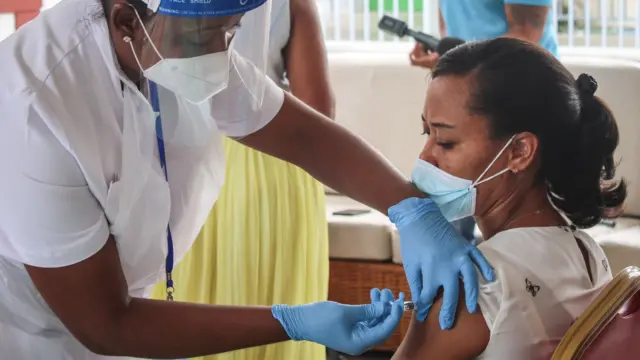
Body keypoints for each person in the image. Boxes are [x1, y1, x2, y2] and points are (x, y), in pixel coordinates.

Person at [0, 0, 495, 358]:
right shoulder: (34, 109)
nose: (222, 53)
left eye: (233, 31)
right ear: (127, 19)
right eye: (206, 37)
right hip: (36, 332)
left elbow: (304, 134)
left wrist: (410, 209)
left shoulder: (177, 40)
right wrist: (292, 322)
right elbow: (107, 324)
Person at [388, 37, 626, 359]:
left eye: (445, 142)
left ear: (519, 152)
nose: (425, 156)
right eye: (426, 133)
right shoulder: (587, 251)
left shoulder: (473, 288)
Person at [149, 0, 333, 359]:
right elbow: (318, 111)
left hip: (185, 159)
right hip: (273, 170)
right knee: (277, 313)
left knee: (186, 309)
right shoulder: (291, 4)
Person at [409, 0, 558, 70]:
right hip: (472, 83)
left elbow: (527, 33)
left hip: (524, 79)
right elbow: (449, 25)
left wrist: (465, 64)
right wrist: (446, 60)